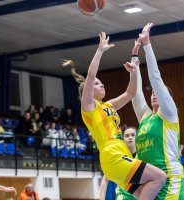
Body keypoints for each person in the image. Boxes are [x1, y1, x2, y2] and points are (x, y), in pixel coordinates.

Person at [63, 32, 166, 199]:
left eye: (100, 82)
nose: (101, 83)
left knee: (143, 193)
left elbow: (130, 93)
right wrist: (100, 51)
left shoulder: (108, 105)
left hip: (120, 153)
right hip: (112, 155)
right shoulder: (89, 107)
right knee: (160, 177)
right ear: (86, 93)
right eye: (96, 84)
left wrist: (133, 72)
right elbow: (89, 76)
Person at [130, 23, 184, 199]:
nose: (154, 93)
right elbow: (135, 93)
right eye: (152, 92)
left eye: (157, 91)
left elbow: (155, 78)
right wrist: (134, 60)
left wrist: (147, 45)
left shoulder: (169, 114)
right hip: (148, 180)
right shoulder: (146, 117)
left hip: (169, 178)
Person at [100, 127, 138, 200]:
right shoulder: (118, 156)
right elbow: (105, 180)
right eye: (127, 135)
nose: (130, 137)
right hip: (122, 197)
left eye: (133, 135)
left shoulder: (143, 155)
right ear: (123, 139)